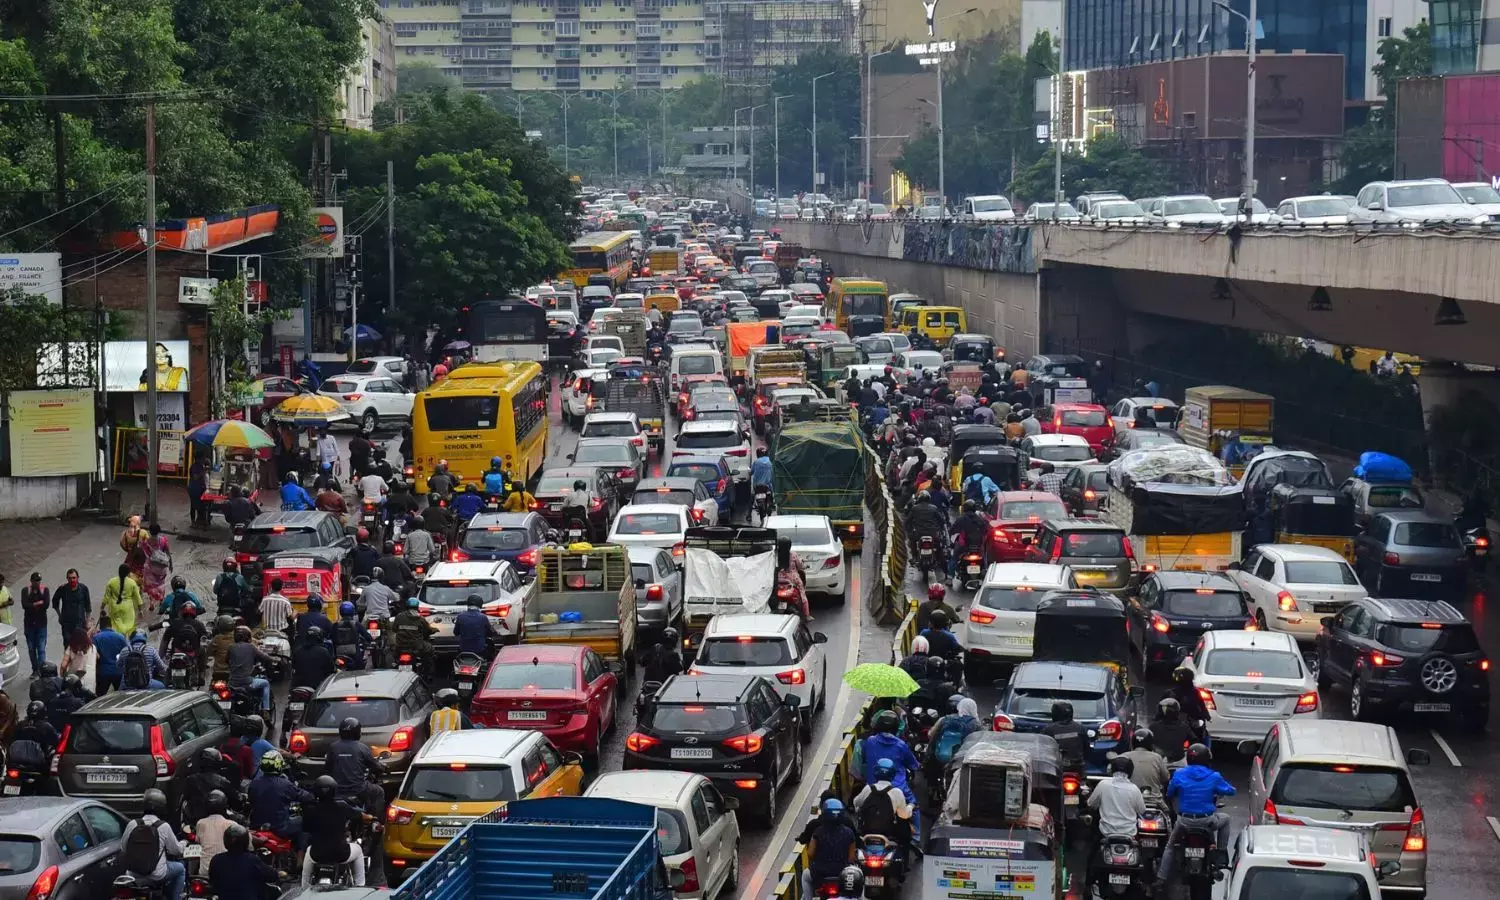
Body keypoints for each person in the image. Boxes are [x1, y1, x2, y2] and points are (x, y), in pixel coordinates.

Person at [1156, 744, 1235, 892]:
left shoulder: (1179, 774)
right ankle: (1220, 855)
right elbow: (1231, 791)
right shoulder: (1214, 776)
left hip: (1184, 821)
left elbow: (1170, 793)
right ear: (1207, 759)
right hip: (1207, 822)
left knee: (1170, 846)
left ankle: (1161, 878)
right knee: (1225, 819)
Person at [1087, 757, 1149, 894]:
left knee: (1092, 855)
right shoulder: (1134, 789)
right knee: (1143, 859)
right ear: (1130, 772)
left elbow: (1091, 804)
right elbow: (1142, 810)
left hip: (1106, 833)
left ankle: (1088, 883)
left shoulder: (1103, 785)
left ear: (1112, 769)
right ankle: (1146, 884)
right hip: (1129, 834)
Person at [302, 775, 369, 887]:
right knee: (358, 850)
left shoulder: (310, 810)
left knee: (308, 852)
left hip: (317, 854)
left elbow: (305, 829)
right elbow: (359, 816)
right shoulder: (342, 806)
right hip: (340, 854)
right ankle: (360, 886)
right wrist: (370, 817)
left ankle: (304, 888)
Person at [121, 788, 186, 900]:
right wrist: (184, 843)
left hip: (133, 874)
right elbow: (176, 850)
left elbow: (123, 847)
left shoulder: (133, 824)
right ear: (162, 807)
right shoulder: (164, 826)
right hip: (157, 875)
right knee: (180, 869)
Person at [248, 751, 315, 848]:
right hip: (279, 828)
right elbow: (305, 796)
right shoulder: (285, 784)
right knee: (303, 824)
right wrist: (314, 795)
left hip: (256, 826)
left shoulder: (254, 783)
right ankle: (300, 855)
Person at [326, 717, 387, 814]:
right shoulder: (362, 747)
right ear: (357, 732)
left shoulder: (333, 747)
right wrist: (383, 768)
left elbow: (327, 768)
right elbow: (374, 765)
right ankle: (375, 820)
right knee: (379, 791)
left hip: (337, 790)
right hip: (358, 789)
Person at [800, 799, 859, 900]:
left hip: (820, 874)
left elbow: (810, 854)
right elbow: (851, 858)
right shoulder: (849, 833)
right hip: (843, 874)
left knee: (805, 876)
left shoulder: (818, 832)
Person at [851, 757, 914, 850]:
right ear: (892, 773)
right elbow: (904, 815)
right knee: (905, 832)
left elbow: (856, 803)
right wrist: (911, 806)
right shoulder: (897, 792)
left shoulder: (868, 789)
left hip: (866, 832)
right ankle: (905, 856)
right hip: (890, 834)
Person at [860, 710, 919, 803]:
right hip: (898, 787)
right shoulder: (900, 745)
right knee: (913, 804)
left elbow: (864, 757)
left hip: (872, 788)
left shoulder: (870, 741)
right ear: (896, 728)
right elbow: (913, 764)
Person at [208, 824, 280, 900]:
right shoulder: (252, 860)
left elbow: (213, 881)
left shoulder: (216, 859)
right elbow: (272, 876)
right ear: (246, 841)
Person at [226, 626, 274, 714]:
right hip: (247, 682)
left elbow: (227, 661)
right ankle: (265, 710)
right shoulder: (251, 647)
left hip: (232, 683)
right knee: (266, 683)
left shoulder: (231, 647)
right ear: (248, 637)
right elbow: (266, 658)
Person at [194, 790, 237, 874]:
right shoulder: (232, 825)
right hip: (225, 872)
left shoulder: (200, 823)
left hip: (204, 872)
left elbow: (198, 841)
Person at [1040, 700, 1091, 771]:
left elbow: (1041, 749)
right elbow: (1087, 748)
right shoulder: (1080, 728)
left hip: (1055, 767)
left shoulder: (1048, 729)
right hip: (1077, 766)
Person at [1121, 727, 1172, 795]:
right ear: (1150, 743)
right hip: (1152, 798)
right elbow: (1165, 779)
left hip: (1129, 798)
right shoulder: (1157, 757)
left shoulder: (1123, 756)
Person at [101, 563, 144, 639]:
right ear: (128, 573)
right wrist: (140, 610)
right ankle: (125, 641)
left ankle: (118, 640)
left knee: (116, 627)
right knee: (128, 628)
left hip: (114, 607)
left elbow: (106, 597)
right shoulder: (132, 583)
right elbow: (138, 598)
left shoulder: (111, 582)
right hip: (128, 608)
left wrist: (102, 608)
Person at [390, 597, 436, 668]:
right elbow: (428, 631)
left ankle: (395, 663)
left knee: (394, 656)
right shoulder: (420, 618)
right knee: (430, 649)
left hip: (400, 645)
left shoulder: (399, 616)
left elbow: (394, 629)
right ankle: (428, 672)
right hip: (416, 646)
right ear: (417, 607)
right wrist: (434, 630)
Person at [1149, 697, 1193, 765]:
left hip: (1158, 761)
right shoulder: (1184, 727)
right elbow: (1194, 740)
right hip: (1179, 761)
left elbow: (1147, 744)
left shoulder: (1153, 727)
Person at [92, 614, 127, 695]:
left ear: (100, 626)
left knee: (100, 697)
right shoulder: (121, 637)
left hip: (102, 672)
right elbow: (127, 653)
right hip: (118, 672)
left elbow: (94, 655)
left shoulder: (96, 638)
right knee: (120, 697)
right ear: (111, 625)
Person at [20, 573, 48, 674]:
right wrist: (36, 603)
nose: (37, 583)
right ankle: (35, 669)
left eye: (39, 580)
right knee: (31, 649)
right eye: (35, 581)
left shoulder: (44, 590)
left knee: (41, 649)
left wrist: (32, 605)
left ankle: (41, 671)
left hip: (41, 624)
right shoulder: (25, 591)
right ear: (31, 581)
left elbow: (46, 604)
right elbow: (24, 605)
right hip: (29, 625)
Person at [51, 568, 91, 638]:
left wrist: (88, 621)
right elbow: (55, 601)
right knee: (67, 643)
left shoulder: (84, 589)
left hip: (80, 623)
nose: (72, 580)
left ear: (78, 578)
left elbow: (88, 606)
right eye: (70, 578)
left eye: (74, 578)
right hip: (66, 623)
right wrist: (59, 615)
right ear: (67, 578)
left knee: (79, 643)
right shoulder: (62, 589)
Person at [332, 602, 370, 668]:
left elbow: (332, 637)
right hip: (355, 655)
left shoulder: (336, 625)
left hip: (339, 654)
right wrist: (370, 641)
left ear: (340, 612)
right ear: (352, 611)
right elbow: (367, 636)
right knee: (360, 667)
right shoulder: (356, 624)